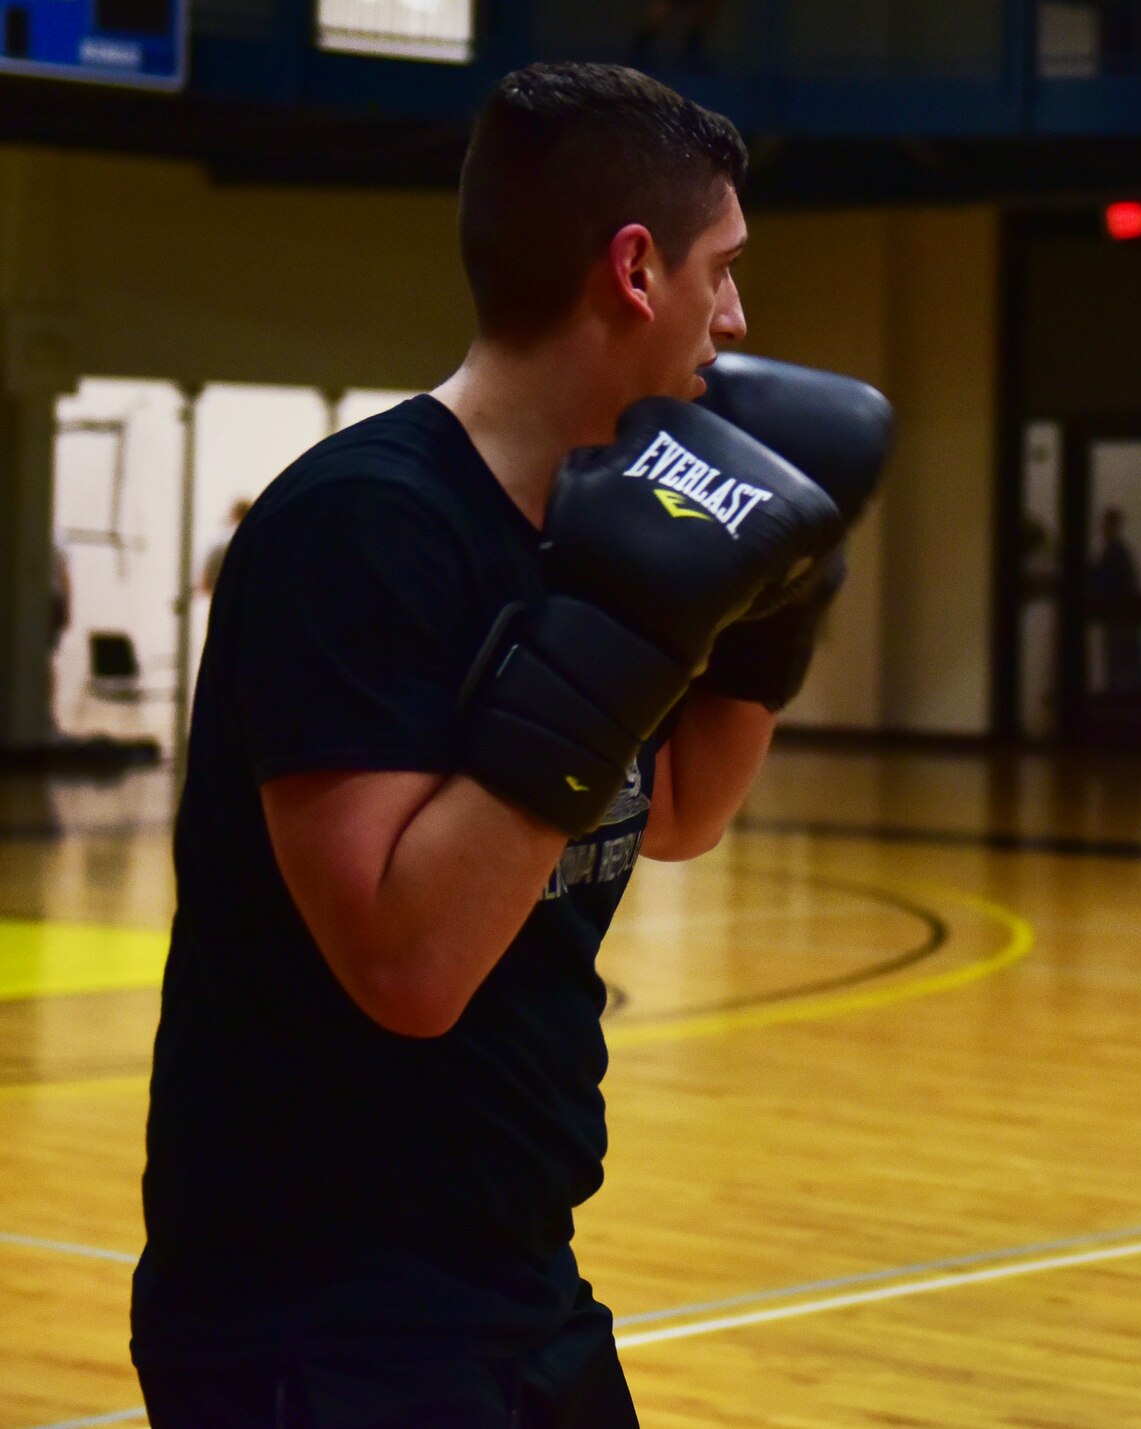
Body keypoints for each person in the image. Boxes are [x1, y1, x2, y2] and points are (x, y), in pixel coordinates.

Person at [131, 63, 857, 1427]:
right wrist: (621, 637)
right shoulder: (359, 530)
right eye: (725, 269)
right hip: (314, 1311)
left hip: (515, 1271)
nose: (741, 318)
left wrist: (774, 610)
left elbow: (683, 805)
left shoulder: (589, 523)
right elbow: (406, 964)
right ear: (636, 269)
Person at [1088, 505, 1141, 697]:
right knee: (1122, 656)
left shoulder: (1115, 552)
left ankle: (1122, 694)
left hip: (1119, 614)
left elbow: (1107, 581)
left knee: (1120, 655)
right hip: (1120, 615)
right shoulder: (1116, 552)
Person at [198, 497, 252, 597]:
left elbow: (205, 583)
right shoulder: (257, 544)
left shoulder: (219, 545)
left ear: (233, 515)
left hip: (223, 603)